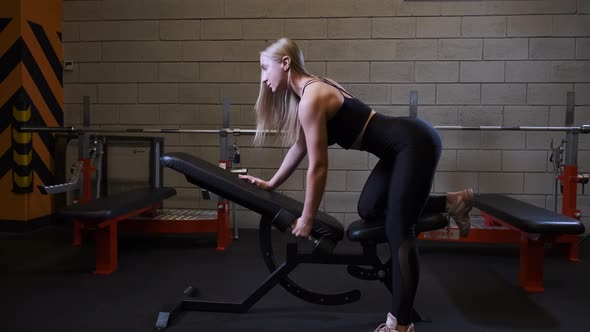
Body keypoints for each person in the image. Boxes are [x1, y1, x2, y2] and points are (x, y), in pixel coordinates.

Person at [239, 38, 473, 332]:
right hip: (399, 148)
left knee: (400, 229)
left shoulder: (312, 98)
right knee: (369, 207)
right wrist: (271, 181)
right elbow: (300, 147)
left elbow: (318, 166)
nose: (263, 77)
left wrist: (308, 218)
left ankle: (400, 323)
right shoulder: (311, 91)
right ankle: (451, 202)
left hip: (414, 143)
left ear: (285, 63)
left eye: (264, 68)